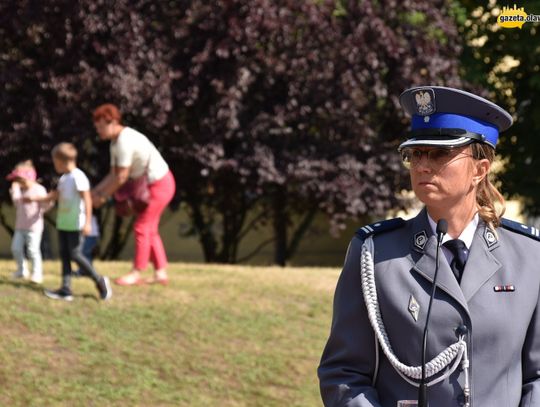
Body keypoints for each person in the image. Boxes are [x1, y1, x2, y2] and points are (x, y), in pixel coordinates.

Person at [318, 86, 540, 406]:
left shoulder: (529, 257)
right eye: (416, 153)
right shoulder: (376, 255)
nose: (422, 165)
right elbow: (344, 373)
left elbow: (536, 376)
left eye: (440, 153)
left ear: (480, 169)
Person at [91, 104, 175, 286]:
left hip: (158, 185)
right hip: (158, 184)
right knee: (150, 229)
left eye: (100, 126)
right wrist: (95, 193)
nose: (98, 131)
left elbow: (121, 177)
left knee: (142, 227)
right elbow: (113, 174)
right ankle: (160, 272)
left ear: (112, 122)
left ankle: (136, 272)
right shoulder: (116, 142)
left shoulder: (124, 141)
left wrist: (102, 197)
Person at [26, 142, 112, 301]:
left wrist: (87, 223)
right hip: (63, 223)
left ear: (60, 160)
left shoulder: (78, 176)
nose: (54, 165)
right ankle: (66, 289)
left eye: (54, 161)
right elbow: (54, 196)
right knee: (65, 255)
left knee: (75, 254)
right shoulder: (64, 179)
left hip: (75, 224)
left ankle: (99, 280)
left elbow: (87, 199)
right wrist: (34, 199)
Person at [6, 160, 53, 284]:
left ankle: (37, 274)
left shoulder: (38, 189)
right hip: (20, 226)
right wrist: (15, 190)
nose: (17, 183)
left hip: (34, 227)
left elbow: (47, 204)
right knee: (16, 248)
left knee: (33, 250)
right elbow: (16, 202)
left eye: (19, 180)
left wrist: (36, 201)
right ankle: (22, 270)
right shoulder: (21, 191)